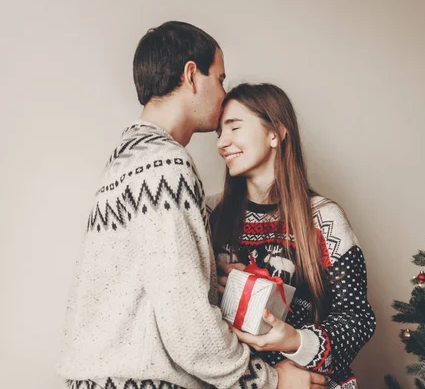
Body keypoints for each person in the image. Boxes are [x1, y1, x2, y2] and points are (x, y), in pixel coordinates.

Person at [57, 21, 328, 389]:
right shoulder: (165, 166)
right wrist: (270, 381)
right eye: (219, 78)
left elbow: (150, 286)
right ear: (191, 75)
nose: (222, 93)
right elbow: (188, 323)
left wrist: (212, 277)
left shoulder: (124, 161)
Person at [210, 83, 376, 389]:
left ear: (275, 133)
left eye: (234, 127)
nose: (222, 142)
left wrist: (296, 341)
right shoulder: (210, 215)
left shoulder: (323, 218)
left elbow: (357, 317)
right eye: (219, 132)